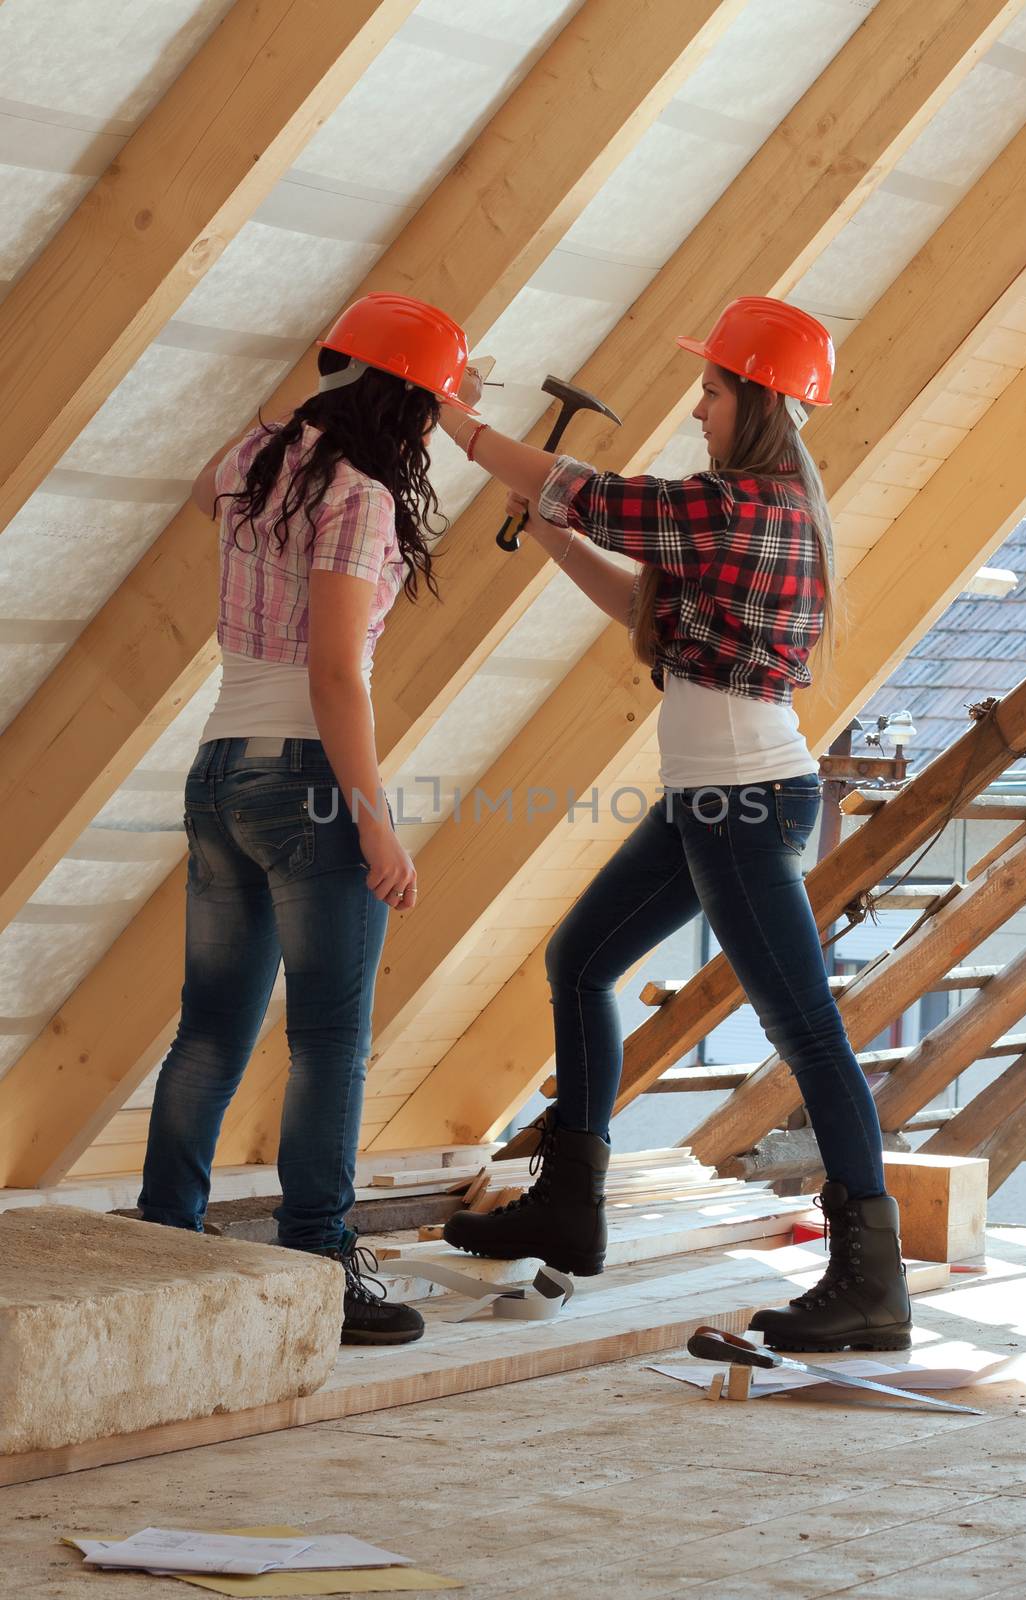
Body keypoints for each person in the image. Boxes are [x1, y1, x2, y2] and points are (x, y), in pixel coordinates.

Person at [438, 297, 911, 1354]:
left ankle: (868, 1283)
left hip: (741, 803)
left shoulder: (746, 506)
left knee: (808, 1037)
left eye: (709, 389)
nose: (694, 406)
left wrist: (457, 425)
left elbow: (589, 492)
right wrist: (552, 535)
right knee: (578, 960)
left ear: (753, 400)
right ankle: (571, 1200)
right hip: (714, 799)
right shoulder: (743, 511)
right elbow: (637, 605)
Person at [138, 293, 480, 1346]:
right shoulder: (360, 496)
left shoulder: (253, 460)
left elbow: (205, 496)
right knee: (329, 1037)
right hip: (308, 782)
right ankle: (320, 1258)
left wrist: (322, 390)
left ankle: (161, 1250)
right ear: (410, 407)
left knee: (209, 1030)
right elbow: (335, 673)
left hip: (218, 772)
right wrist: (374, 823)